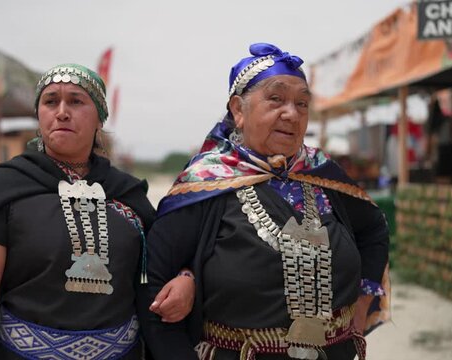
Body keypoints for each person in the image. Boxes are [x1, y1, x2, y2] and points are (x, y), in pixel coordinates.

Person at [0, 63, 192, 359]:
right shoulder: (6, 189)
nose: (62, 111)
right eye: (51, 102)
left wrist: (186, 278)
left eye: (76, 101)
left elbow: (165, 261)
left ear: (99, 119)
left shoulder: (127, 195)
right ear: (39, 116)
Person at [140, 43, 390, 360]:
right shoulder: (206, 182)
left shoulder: (322, 174)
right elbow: (152, 287)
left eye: (302, 103)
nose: (292, 113)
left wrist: (365, 298)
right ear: (238, 110)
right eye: (276, 98)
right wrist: (189, 276)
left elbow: (373, 228)